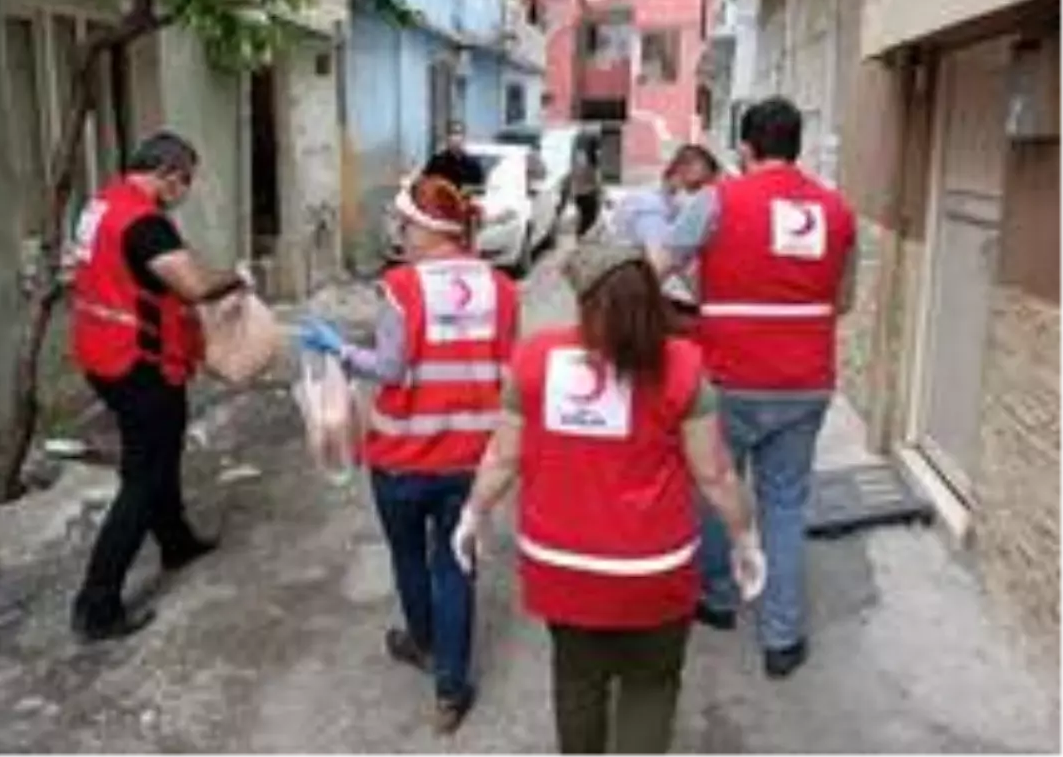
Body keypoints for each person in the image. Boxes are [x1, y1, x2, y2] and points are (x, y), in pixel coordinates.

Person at [450, 244, 764, 757]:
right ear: (651, 296)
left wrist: (472, 514)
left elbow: (503, 459)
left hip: (561, 566)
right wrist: (744, 539)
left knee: (577, 680)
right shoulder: (683, 367)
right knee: (651, 684)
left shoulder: (533, 360)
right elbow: (715, 474)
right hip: (655, 570)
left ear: (582, 299)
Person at [298, 175, 520, 734]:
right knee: (457, 565)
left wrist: (341, 351)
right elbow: (506, 369)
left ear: (429, 229)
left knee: (408, 556)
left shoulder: (402, 286)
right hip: (473, 457)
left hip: (402, 455)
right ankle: (450, 688)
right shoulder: (503, 288)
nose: (399, 232)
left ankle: (424, 643)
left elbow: (391, 368)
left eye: (405, 222)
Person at [658, 96, 858, 678]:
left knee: (717, 486)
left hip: (729, 378)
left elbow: (656, 266)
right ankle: (781, 637)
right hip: (807, 381)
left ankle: (718, 599)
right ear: (796, 145)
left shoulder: (715, 201)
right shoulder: (837, 211)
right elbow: (841, 301)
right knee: (787, 505)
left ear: (745, 149)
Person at [69, 131, 250, 642]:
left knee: (160, 453)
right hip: (138, 361)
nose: (186, 191)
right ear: (168, 173)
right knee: (143, 478)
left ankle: (175, 540)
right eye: (185, 180)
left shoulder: (101, 204)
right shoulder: (144, 223)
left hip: (101, 352)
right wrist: (236, 279)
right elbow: (192, 286)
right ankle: (97, 604)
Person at [609, 144, 722, 318]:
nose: (700, 194)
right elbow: (660, 263)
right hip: (636, 301)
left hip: (630, 294)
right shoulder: (651, 209)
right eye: (696, 186)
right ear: (679, 173)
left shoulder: (662, 202)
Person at [422, 120, 485, 195]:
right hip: (440, 204)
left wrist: (466, 191)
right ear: (447, 137)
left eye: (458, 133)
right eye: (452, 134)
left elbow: (480, 190)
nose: (455, 138)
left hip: (465, 204)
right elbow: (424, 184)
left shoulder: (473, 166)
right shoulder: (437, 162)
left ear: (464, 137)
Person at [565, 136, 603, 239]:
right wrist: (600, 190)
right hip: (587, 192)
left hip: (580, 192)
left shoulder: (579, 157)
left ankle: (579, 236)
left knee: (584, 216)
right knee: (590, 216)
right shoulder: (590, 160)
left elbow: (573, 174)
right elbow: (594, 177)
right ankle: (580, 236)